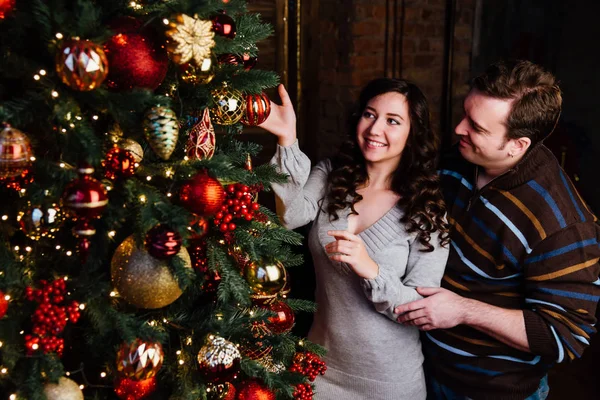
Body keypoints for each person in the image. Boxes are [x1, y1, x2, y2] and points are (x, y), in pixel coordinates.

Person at [395, 60, 600, 399]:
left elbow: (565, 336)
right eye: (465, 114)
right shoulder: (457, 160)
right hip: (421, 367)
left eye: (476, 126)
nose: (459, 128)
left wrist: (463, 310)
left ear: (517, 145)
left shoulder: (563, 225)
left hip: (495, 391)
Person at [261, 78, 450, 400]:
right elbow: (290, 215)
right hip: (320, 367)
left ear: (412, 133)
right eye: (370, 114)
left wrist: (371, 270)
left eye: (393, 121)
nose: (376, 129)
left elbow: (421, 310)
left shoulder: (426, 210)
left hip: (389, 383)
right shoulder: (332, 175)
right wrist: (287, 138)